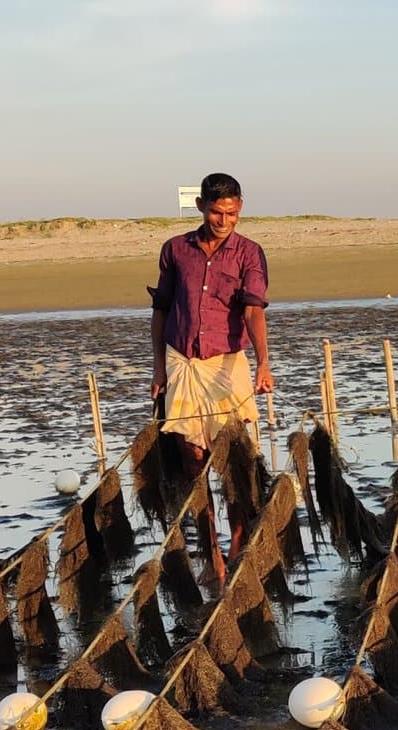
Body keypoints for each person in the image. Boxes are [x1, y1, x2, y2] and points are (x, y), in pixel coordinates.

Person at [148, 172, 274, 580]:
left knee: (231, 458)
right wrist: (158, 368)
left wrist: (264, 364)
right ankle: (212, 552)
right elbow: (161, 310)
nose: (224, 220)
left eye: (232, 213)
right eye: (217, 212)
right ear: (202, 206)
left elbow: (253, 310)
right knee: (194, 462)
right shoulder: (175, 250)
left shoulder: (249, 254)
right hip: (182, 363)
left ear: (240, 209)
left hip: (226, 364)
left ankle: (237, 544)